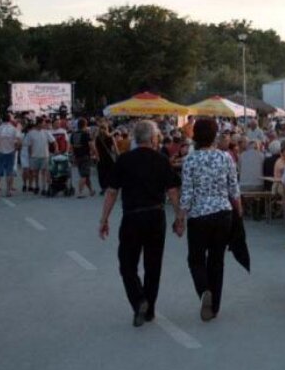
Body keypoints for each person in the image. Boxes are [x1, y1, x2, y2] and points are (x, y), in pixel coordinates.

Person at [99, 120, 181, 327]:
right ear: (154, 139)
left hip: (132, 217)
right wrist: (179, 218)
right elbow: (172, 191)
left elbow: (111, 191)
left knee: (127, 264)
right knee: (153, 265)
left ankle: (139, 300)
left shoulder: (124, 160)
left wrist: (104, 219)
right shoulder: (162, 160)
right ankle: (149, 310)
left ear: (135, 138)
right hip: (156, 216)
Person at [177, 117, 242, 321]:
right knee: (217, 261)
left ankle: (204, 290)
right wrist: (238, 213)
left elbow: (186, 193)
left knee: (196, 259)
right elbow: (234, 189)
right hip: (223, 213)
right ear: (215, 135)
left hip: (199, 216)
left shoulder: (190, 159)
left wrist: (180, 218)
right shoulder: (225, 158)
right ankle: (214, 307)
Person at [23, 117, 56, 196]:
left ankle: (44, 188)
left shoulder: (46, 132)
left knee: (44, 172)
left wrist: (55, 150)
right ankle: (37, 186)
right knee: (36, 173)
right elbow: (28, 145)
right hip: (35, 155)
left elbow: (53, 141)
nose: (44, 124)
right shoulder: (31, 133)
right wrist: (30, 155)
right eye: (43, 123)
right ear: (39, 123)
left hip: (45, 155)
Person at [0, 114, 21, 197]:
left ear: (2, 120)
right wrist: (15, 149)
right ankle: (8, 191)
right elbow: (18, 140)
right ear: (10, 120)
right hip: (10, 151)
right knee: (9, 172)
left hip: (0, 151)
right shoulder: (14, 129)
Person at [70, 117, 96, 198]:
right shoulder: (86, 134)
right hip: (85, 156)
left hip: (77, 156)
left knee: (85, 174)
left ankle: (91, 190)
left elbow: (71, 147)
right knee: (84, 175)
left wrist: (73, 156)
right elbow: (91, 145)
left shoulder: (73, 134)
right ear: (85, 125)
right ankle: (80, 192)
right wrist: (95, 153)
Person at [94, 121, 117, 194]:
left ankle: (104, 187)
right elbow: (115, 148)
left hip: (101, 157)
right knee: (110, 172)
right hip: (109, 157)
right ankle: (110, 187)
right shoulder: (110, 137)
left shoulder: (97, 138)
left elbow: (96, 149)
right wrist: (118, 155)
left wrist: (97, 157)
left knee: (102, 173)